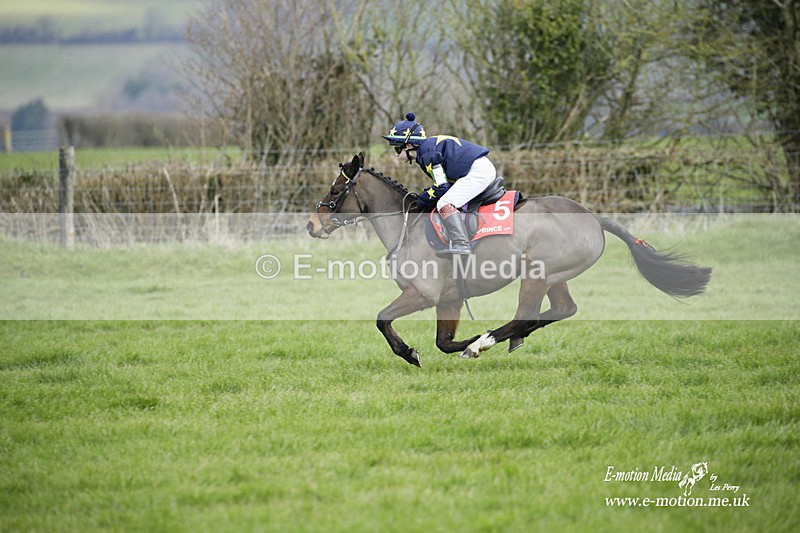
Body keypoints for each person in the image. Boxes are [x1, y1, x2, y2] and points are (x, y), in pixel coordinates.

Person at [382, 112, 497, 255]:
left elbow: (442, 187)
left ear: (409, 145)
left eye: (397, 148)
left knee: (445, 203)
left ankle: (461, 243)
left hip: (478, 172)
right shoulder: (427, 149)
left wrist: (423, 198)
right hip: (476, 169)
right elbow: (441, 184)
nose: (396, 154)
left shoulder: (426, 154)